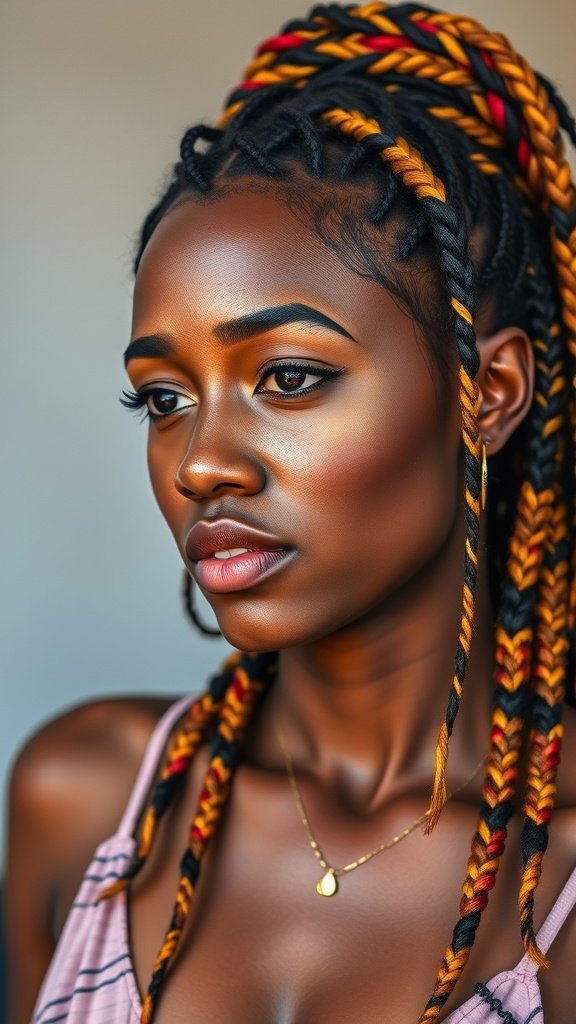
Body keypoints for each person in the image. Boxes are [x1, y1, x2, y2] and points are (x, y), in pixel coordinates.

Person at [6, 2, 576, 1022]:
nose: (201, 463)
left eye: (290, 377)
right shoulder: (88, 802)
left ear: (488, 393)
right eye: (164, 398)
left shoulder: (558, 882)